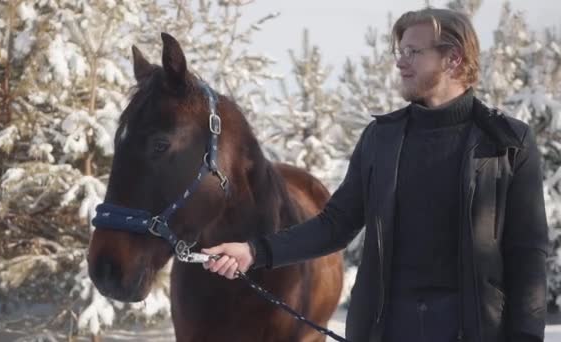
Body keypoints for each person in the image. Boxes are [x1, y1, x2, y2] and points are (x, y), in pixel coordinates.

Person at [202, 7, 548, 342]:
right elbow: (335, 225)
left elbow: (527, 252)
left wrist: (526, 336)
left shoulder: (507, 143)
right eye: (400, 51)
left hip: (475, 331)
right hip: (388, 330)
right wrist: (255, 252)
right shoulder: (382, 138)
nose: (400, 61)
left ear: (453, 58)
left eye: (413, 51)